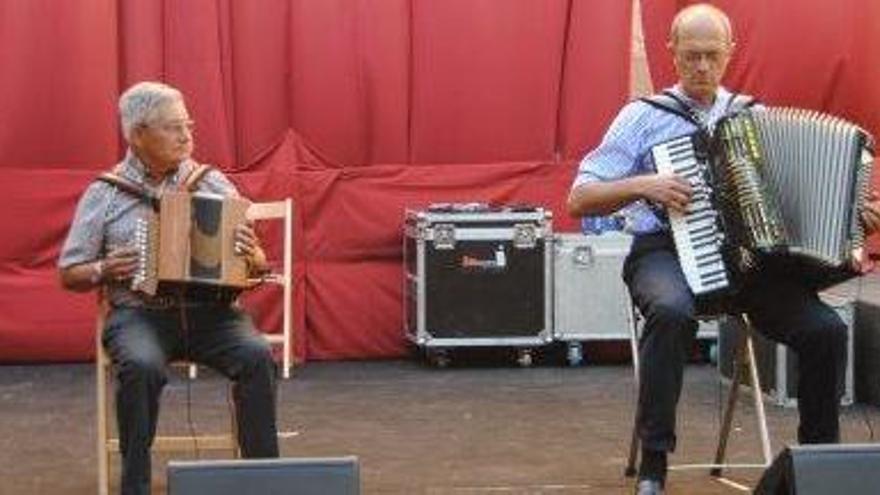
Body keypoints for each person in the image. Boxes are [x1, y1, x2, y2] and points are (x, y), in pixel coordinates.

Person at [567, 4, 880, 495]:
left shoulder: (752, 116)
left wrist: (851, 220)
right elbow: (580, 196)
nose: (702, 68)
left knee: (825, 329)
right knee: (670, 313)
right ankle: (655, 464)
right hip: (664, 250)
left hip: (748, 267)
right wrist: (646, 183)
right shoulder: (642, 117)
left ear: (731, 52)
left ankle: (819, 465)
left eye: (713, 56)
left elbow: (790, 206)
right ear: (671, 52)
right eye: (691, 56)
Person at [58, 81, 279, 495]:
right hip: (138, 314)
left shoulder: (210, 183)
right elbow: (68, 272)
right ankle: (135, 485)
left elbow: (258, 264)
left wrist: (252, 254)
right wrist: (104, 268)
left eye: (188, 125)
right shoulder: (105, 193)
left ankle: (263, 480)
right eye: (173, 127)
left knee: (257, 356)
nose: (186, 136)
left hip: (211, 313)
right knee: (140, 367)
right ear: (138, 134)